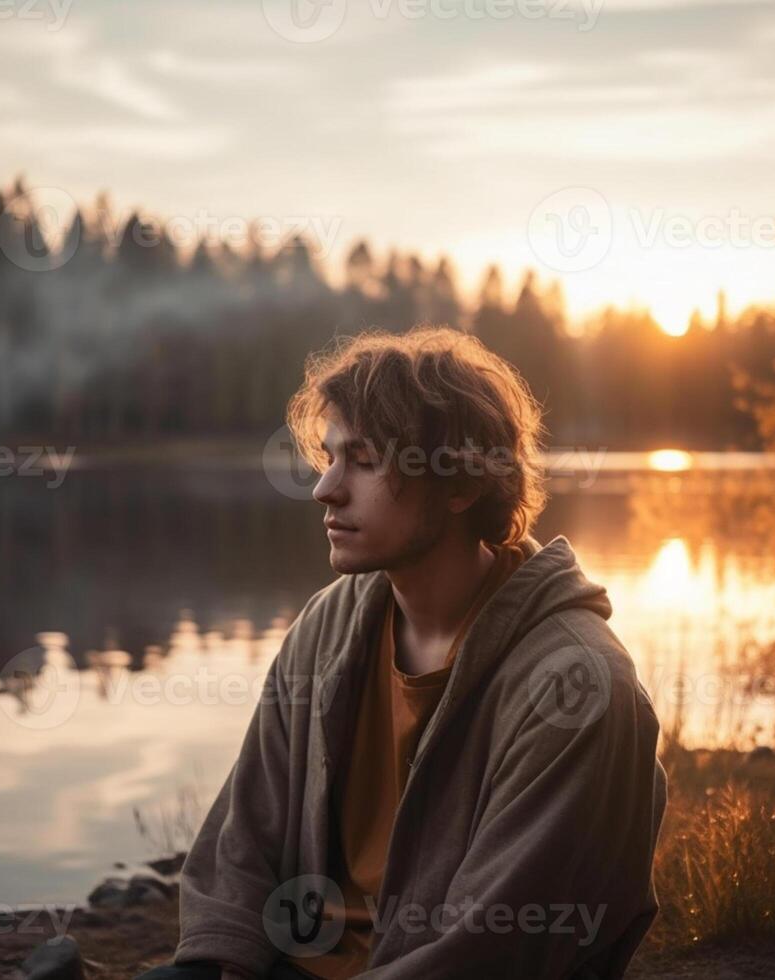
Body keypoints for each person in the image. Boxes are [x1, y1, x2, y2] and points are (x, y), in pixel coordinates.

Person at [136, 326, 667, 980]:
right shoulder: (328, 623)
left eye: (363, 460)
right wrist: (213, 963)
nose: (325, 489)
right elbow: (245, 836)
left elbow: (496, 950)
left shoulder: (576, 688)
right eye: (329, 457)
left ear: (461, 485)